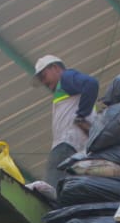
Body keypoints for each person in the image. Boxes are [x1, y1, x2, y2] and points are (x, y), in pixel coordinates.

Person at [33, 55, 98, 186]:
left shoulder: (66, 78)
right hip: (79, 147)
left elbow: (91, 83)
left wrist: (81, 116)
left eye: (43, 76)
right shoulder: (66, 90)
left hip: (67, 144)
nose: (44, 82)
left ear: (55, 68)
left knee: (52, 186)